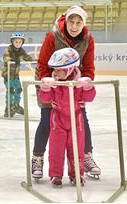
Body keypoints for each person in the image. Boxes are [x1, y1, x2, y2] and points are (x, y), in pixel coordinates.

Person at [32, 5, 101, 180]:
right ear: (66, 21)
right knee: (47, 118)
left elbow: (89, 66)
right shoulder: (53, 36)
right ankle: (37, 158)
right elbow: (42, 65)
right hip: (51, 82)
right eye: (72, 21)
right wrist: (48, 83)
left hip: (73, 83)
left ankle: (86, 156)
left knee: (81, 119)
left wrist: (85, 82)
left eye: (79, 22)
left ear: (83, 24)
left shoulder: (87, 39)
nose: (74, 26)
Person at [39, 47, 96, 187]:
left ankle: (76, 174)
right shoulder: (55, 82)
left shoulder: (78, 82)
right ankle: (56, 175)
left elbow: (89, 98)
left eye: (59, 69)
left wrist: (88, 87)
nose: (55, 72)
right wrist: (45, 88)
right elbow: (45, 99)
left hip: (76, 120)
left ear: (69, 69)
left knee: (76, 149)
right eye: (54, 69)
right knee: (56, 149)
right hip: (57, 120)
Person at [1, 32, 34, 117]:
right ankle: (9, 106)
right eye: (16, 42)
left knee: (19, 89)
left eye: (20, 42)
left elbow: (26, 57)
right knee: (11, 90)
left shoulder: (21, 50)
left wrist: (32, 60)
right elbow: (6, 57)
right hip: (8, 74)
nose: (18, 44)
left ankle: (16, 105)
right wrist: (11, 60)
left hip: (15, 75)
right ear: (12, 42)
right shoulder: (8, 49)